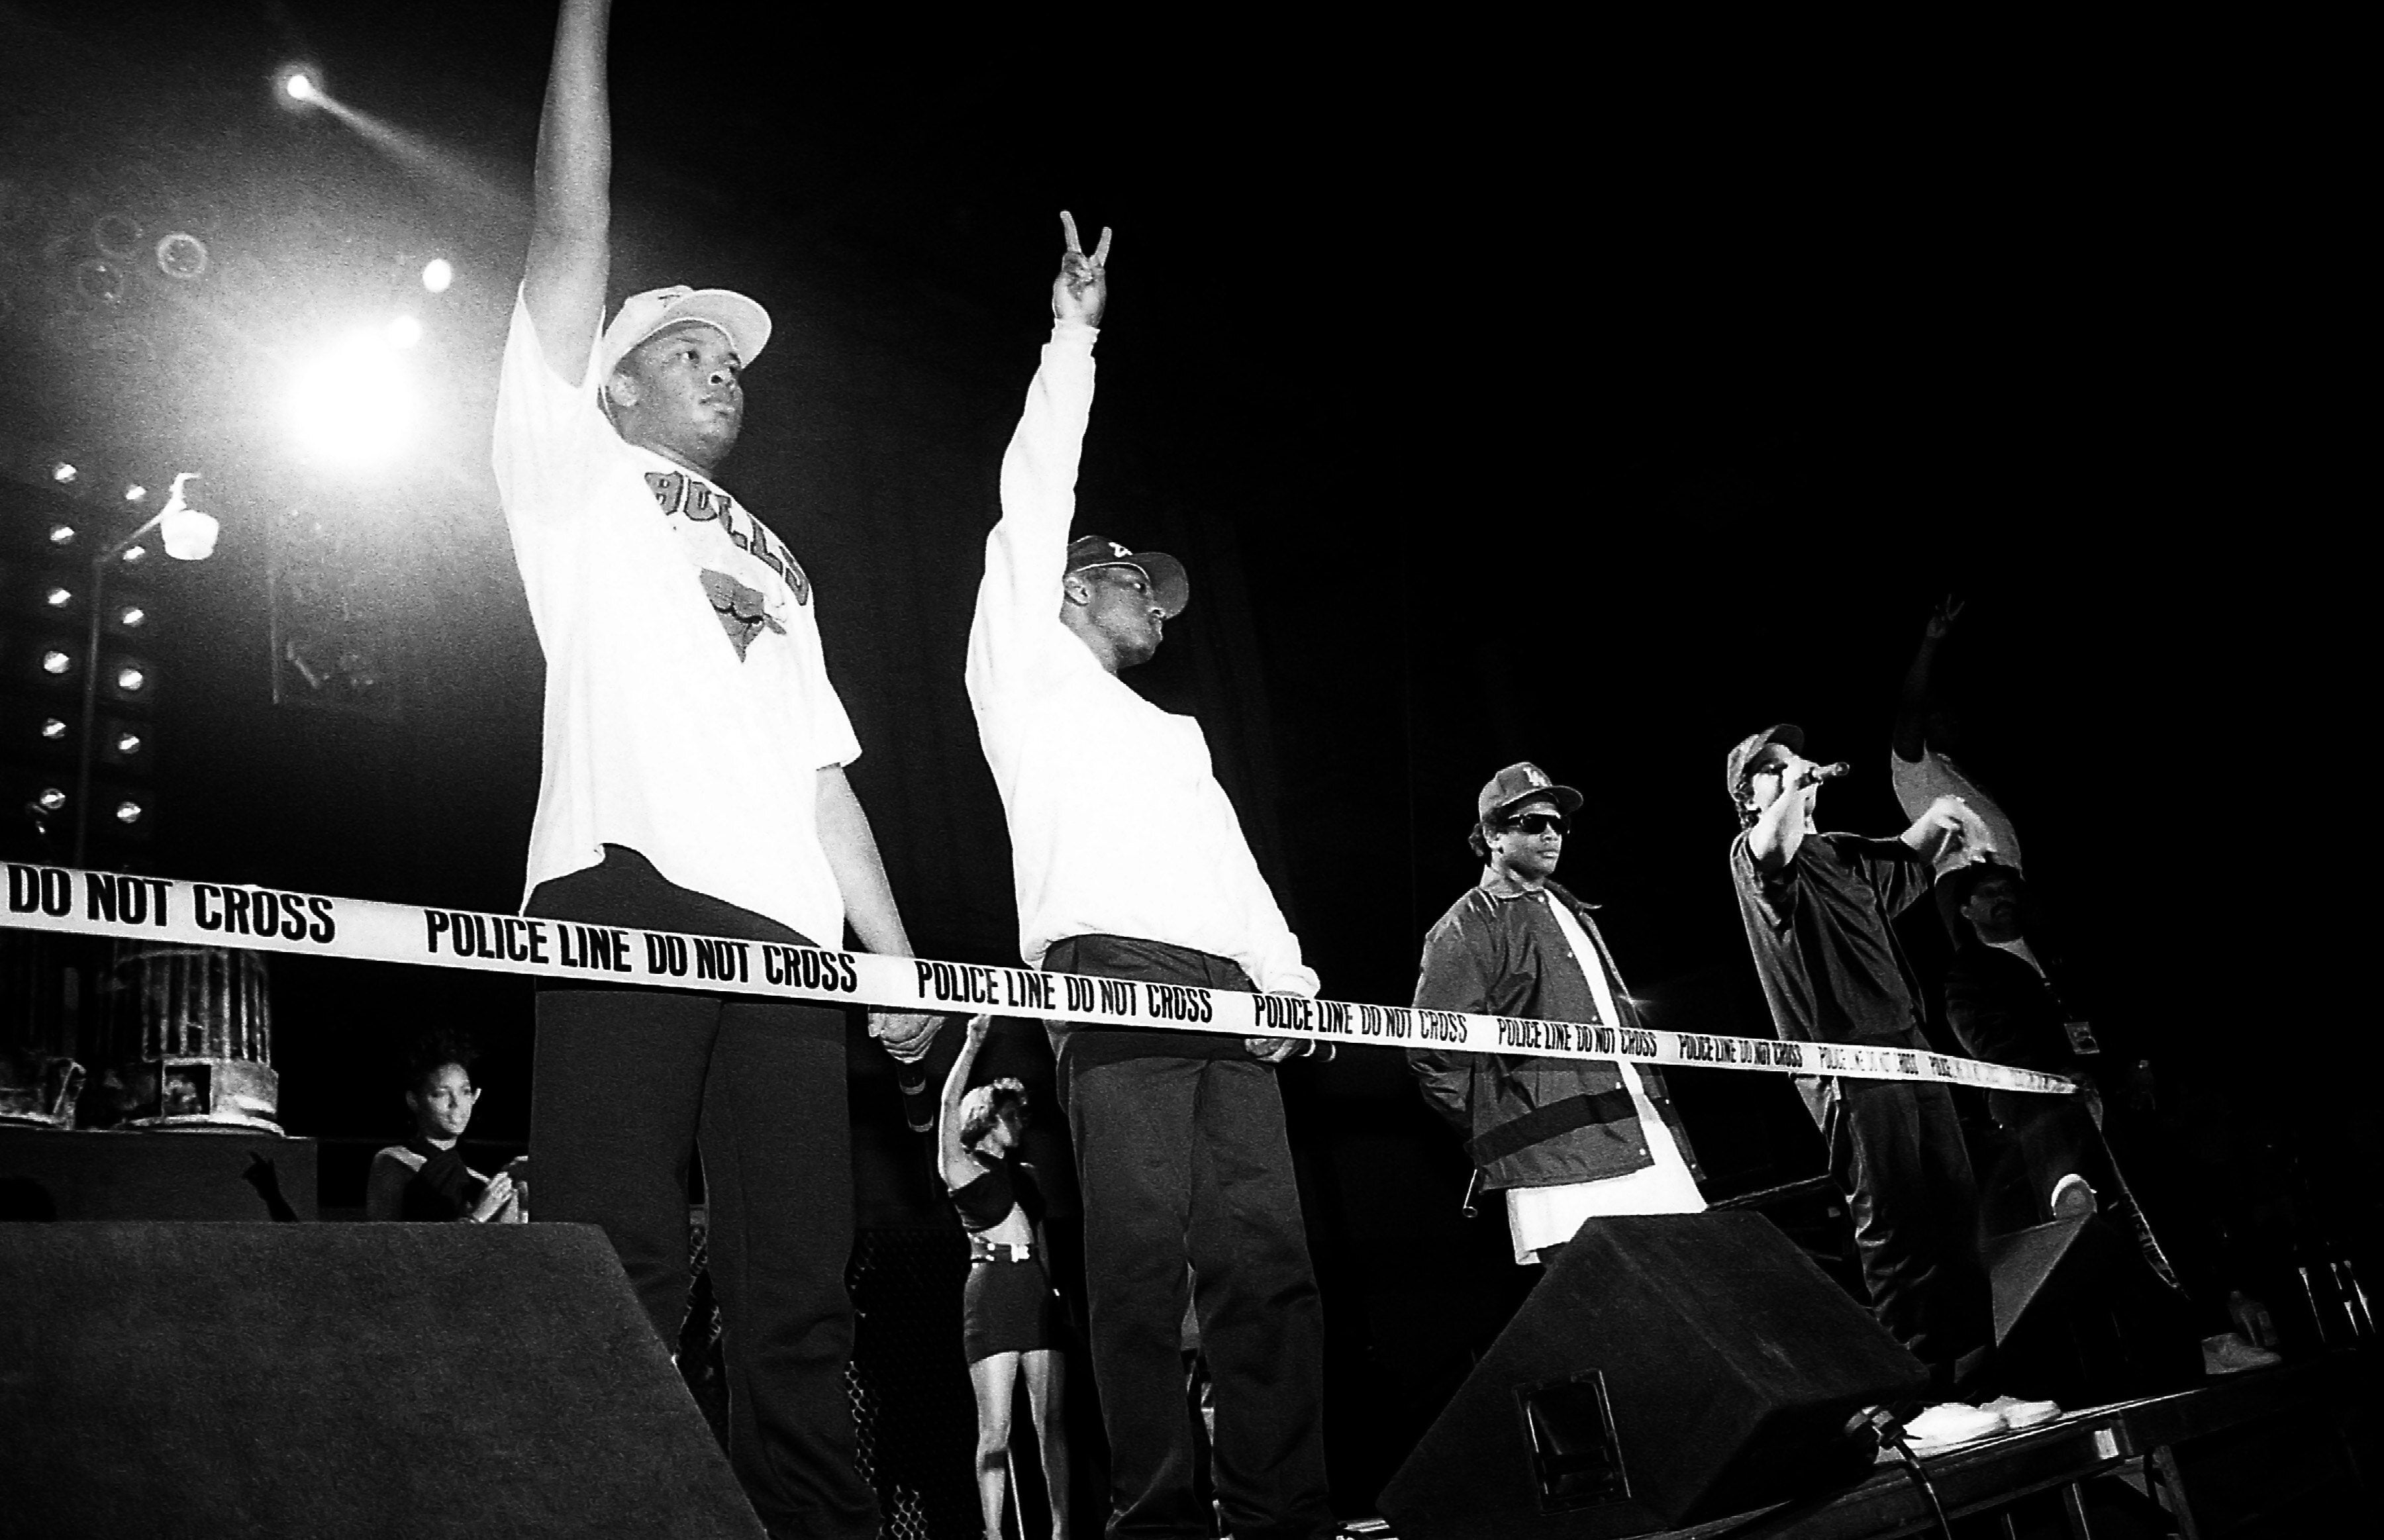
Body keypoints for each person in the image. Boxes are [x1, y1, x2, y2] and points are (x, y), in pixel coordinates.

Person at [492, 5, 938, 1533]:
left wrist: (891, 964)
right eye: (679, 350)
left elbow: (822, 773)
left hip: (789, 943)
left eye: (730, 356)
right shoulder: (574, 473)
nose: (716, 367)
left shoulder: (780, 556)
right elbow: (569, 228)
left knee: (799, 1290)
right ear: (611, 385)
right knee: (618, 1260)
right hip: (626, 880)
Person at [964, 217, 1334, 1540]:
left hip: (1226, 988)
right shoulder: (1022, 658)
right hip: (1111, 978)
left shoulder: (1169, 728)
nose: (1158, 608)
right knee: (1137, 1266)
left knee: (1267, 1264)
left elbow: (1228, 852)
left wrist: (1283, 977)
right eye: (1137, 584)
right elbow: (1035, 488)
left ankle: (1284, 1508)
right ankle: (1161, 1516)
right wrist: (1075, 333)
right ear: (1076, 582)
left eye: (1167, 599)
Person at [1725, 723, 1999, 1398]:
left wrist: (1948, 816)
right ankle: (1918, 1398)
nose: (1791, 771)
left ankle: (1977, 1383)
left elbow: (1910, 852)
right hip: (1851, 1064)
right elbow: (1772, 846)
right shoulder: (1752, 852)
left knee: (1954, 1216)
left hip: (1912, 1051)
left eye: (1792, 760)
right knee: (1899, 1228)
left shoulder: (1843, 853)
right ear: (1747, 797)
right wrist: (1793, 787)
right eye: (1769, 768)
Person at [1409, 763, 1705, 1269]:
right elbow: (1434, 1053)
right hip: (1560, 1167)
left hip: (1643, 1138)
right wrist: (1511, 1122)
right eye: (1531, 823)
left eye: (1559, 825)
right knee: (1604, 1320)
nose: (1551, 834)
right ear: (1492, 836)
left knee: (1693, 1301)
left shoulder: (1571, 908)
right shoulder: (1465, 926)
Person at [938, 1015, 1070, 1540]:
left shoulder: (1029, 1176)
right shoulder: (961, 1166)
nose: (1021, 1122)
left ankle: (1063, 1530)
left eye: (1023, 1114)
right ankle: (994, 1534)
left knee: (1053, 1423)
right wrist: (971, 1045)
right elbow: (947, 1108)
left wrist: (1057, 1300)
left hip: (1035, 1293)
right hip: (991, 1292)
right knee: (996, 1430)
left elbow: (1044, 1244)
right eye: (1011, 1114)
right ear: (988, 1118)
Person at [366, 1035, 525, 1224]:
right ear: (414, 1101)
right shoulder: (394, 1162)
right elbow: (383, 1243)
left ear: (476, 1097)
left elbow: (503, 1247)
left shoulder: (476, 1181)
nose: (456, 1104)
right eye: (441, 1094)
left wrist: (516, 1194)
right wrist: (478, 1217)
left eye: (465, 1092)